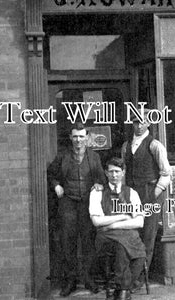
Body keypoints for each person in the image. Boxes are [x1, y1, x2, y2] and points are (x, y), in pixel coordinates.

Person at [47, 122, 107, 297]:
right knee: (68, 243)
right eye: (75, 136)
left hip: (87, 204)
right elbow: (51, 174)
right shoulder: (63, 156)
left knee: (88, 242)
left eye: (81, 136)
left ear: (87, 138)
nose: (78, 140)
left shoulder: (94, 157)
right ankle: (71, 281)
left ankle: (88, 279)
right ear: (70, 138)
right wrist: (56, 185)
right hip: (68, 203)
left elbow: (102, 178)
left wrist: (98, 184)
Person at [121, 110, 171, 291]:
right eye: (135, 122)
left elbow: (166, 174)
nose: (139, 125)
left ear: (149, 123)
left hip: (150, 194)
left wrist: (153, 195)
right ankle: (129, 277)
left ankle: (139, 280)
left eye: (143, 122)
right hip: (132, 196)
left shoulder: (155, 145)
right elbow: (124, 172)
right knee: (131, 236)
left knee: (148, 239)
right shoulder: (126, 146)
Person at [89, 157, 146, 300]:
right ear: (106, 173)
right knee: (121, 247)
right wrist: (123, 216)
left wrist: (114, 225)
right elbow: (97, 221)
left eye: (117, 171)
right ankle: (124, 291)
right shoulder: (97, 192)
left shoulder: (131, 193)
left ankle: (121, 289)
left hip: (124, 232)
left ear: (123, 173)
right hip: (105, 236)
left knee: (139, 254)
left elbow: (139, 221)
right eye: (111, 171)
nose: (114, 175)